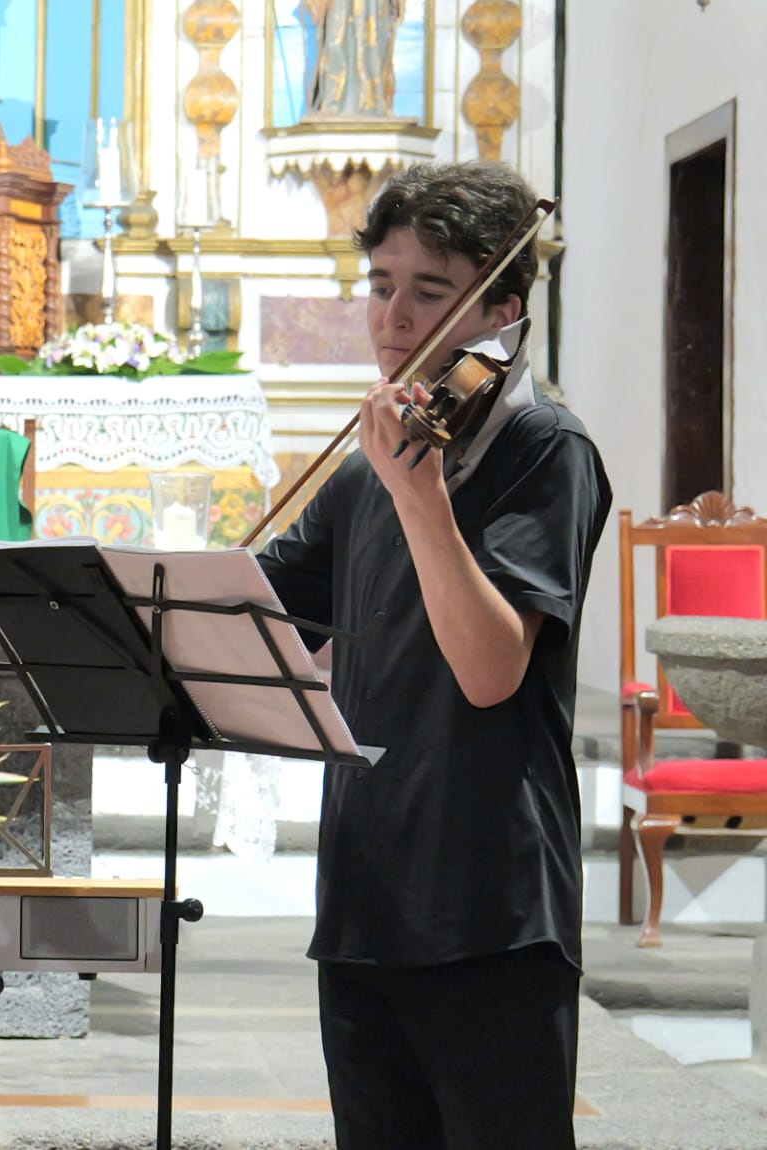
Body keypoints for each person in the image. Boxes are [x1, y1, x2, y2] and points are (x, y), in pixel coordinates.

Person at [255, 161, 610, 1149]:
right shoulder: (372, 464)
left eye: (428, 291)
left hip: (489, 899)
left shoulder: (540, 445)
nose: (393, 319)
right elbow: (255, 612)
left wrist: (419, 494)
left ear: (500, 311)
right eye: (379, 286)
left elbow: (490, 670)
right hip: (366, 888)